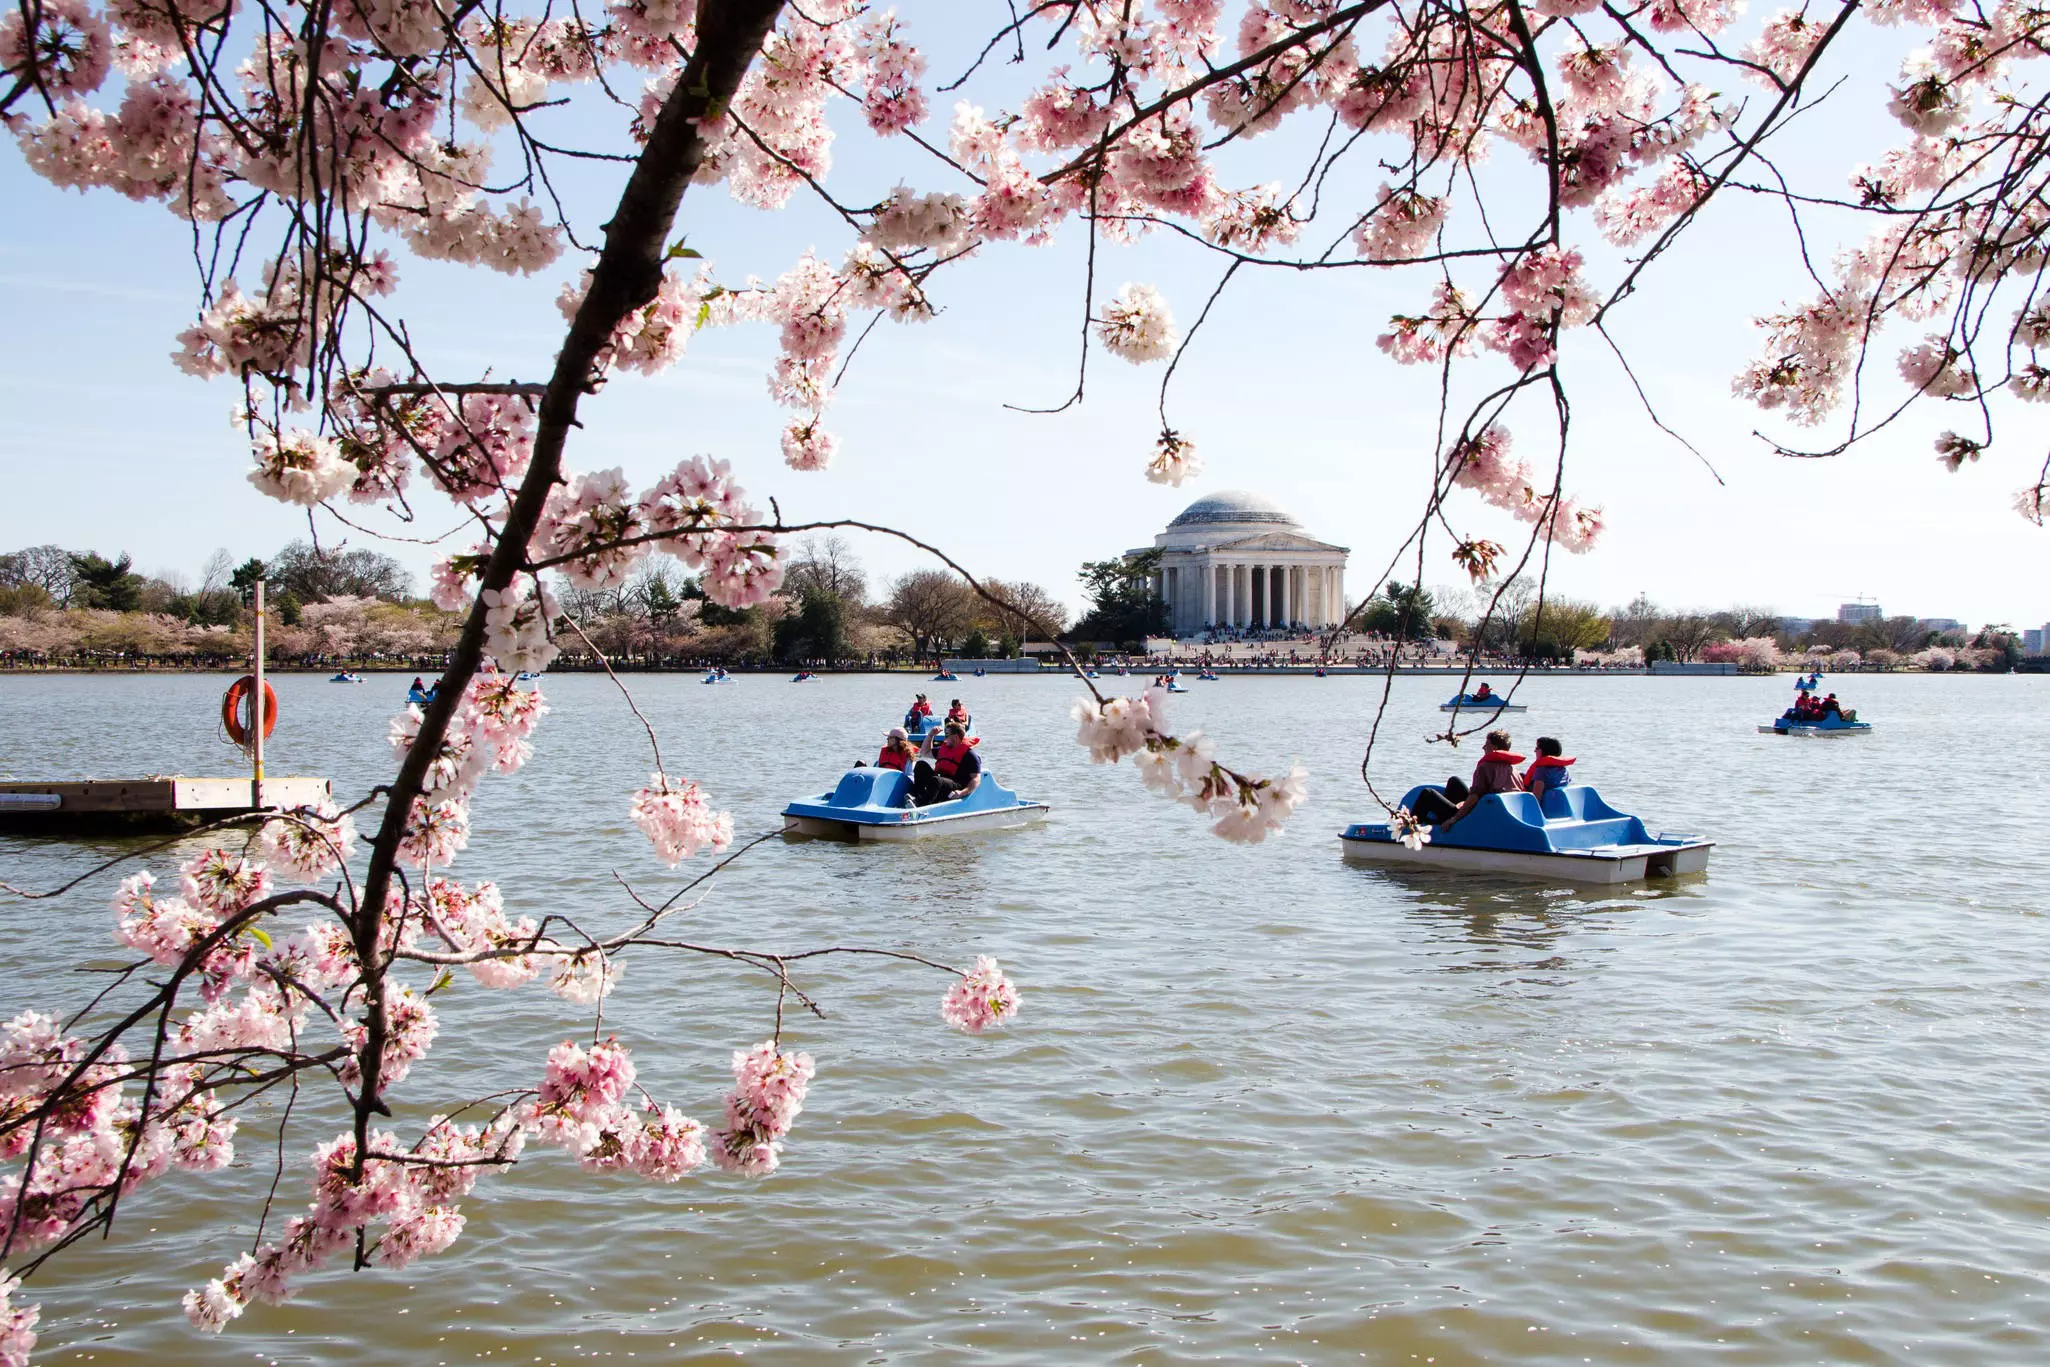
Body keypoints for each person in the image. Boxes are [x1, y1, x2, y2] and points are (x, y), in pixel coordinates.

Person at [1439, 730, 1524, 830]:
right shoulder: (1514, 770)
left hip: (1480, 814)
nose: (1483, 747)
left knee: (1427, 793)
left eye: (1486, 744)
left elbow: (1474, 798)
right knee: (1454, 781)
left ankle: (1424, 829)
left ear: (1495, 748)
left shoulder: (1484, 767)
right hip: (1499, 810)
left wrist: (1454, 819)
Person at [910, 720, 981, 806]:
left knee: (937, 780)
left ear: (955, 737)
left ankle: (922, 805)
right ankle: (917, 796)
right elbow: (924, 752)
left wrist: (962, 793)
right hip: (939, 781)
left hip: (955, 785)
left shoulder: (969, 755)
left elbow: (976, 779)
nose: (945, 737)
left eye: (947, 734)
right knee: (920, 765)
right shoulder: (943, 749)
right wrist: (931, 735)